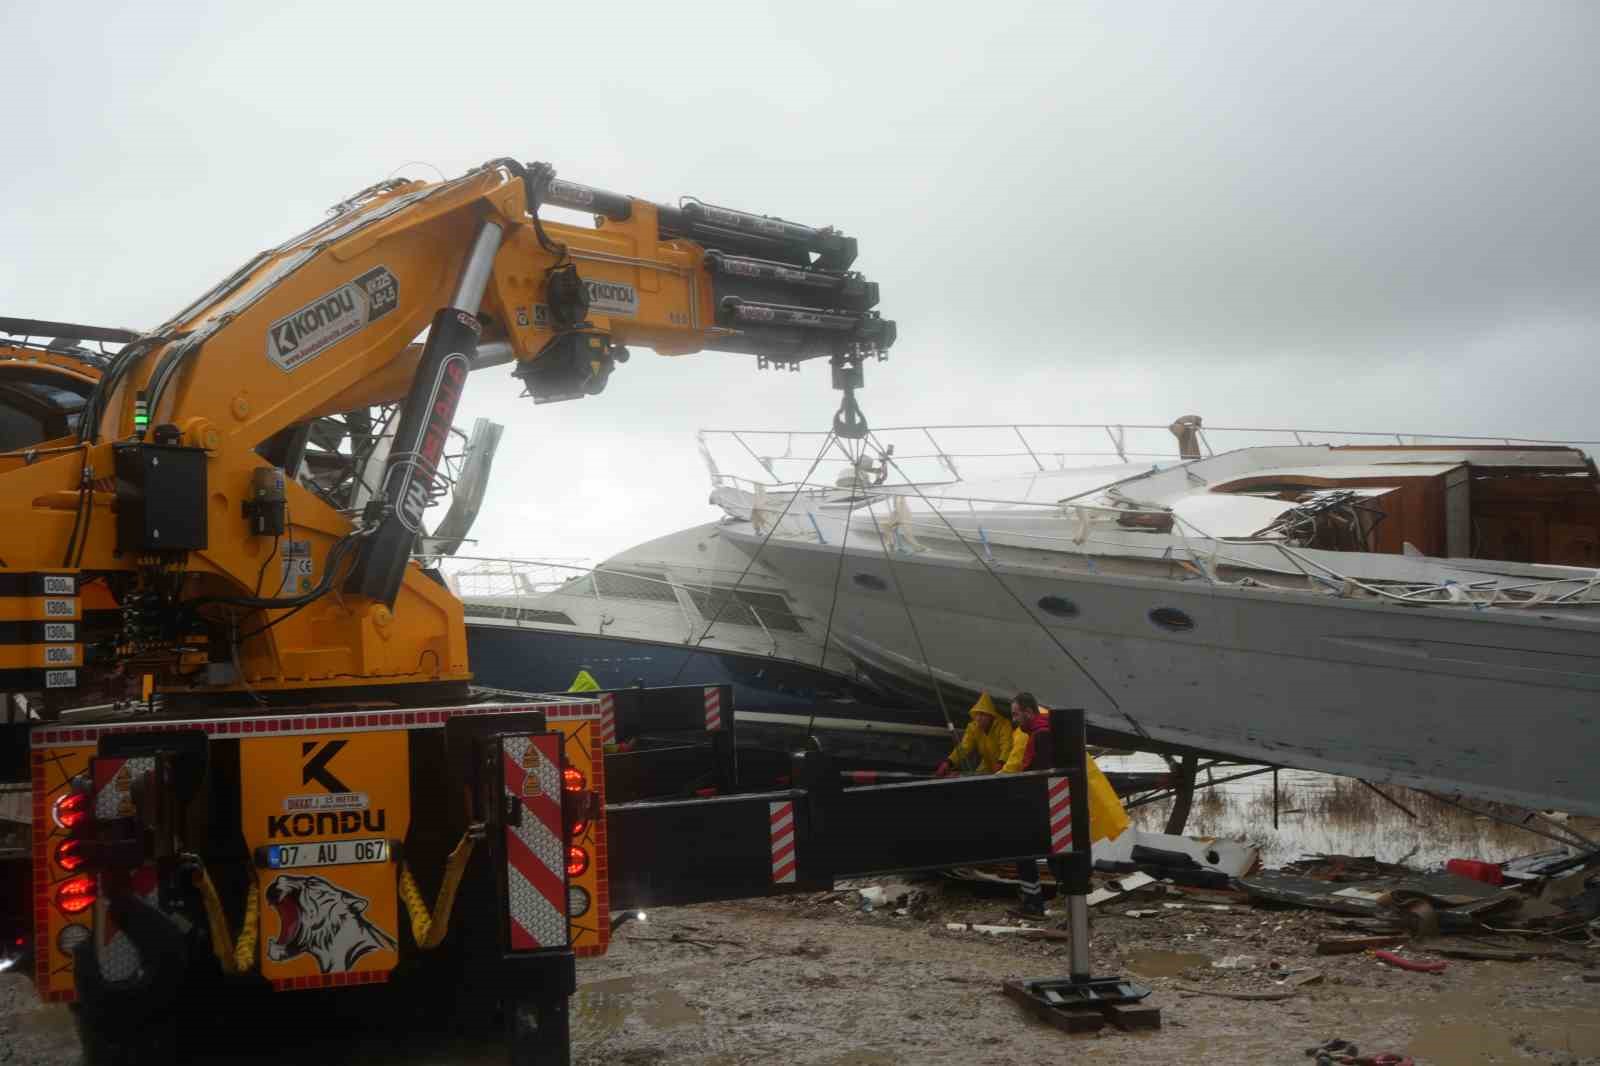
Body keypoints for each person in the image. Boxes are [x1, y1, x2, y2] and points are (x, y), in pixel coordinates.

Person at [933, 692, 1013, 777]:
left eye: (982, 714)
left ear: (991, 715)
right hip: (987, 767)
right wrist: (949, 762)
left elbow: (1007, 747)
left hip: (1006, 768)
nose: (978, 718)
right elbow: (964, 747)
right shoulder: (973, 727)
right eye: (977, 714)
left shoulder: (1004, 725)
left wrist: (1001, 763)